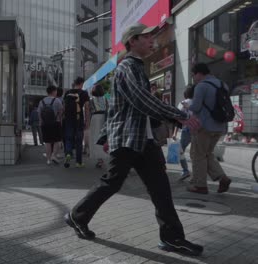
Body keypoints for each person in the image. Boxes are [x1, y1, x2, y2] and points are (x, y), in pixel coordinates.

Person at [64, 23, 204, 256]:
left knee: (160, 189)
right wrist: (180, 115)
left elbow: (139, 104)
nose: (152, 41)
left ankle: (172, 238)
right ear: (132, 41)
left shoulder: (137, 67)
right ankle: (76, 216)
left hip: (143, 139)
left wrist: (174, 118)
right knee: (112, 183)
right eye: (147, 37)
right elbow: (141, 100)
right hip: (129, 139)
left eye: (152, 37)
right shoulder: (127, 67)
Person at [187, 63, 232, 194]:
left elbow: (195, 107)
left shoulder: (201, 86)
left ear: (199, 73)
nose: (193, 78)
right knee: (208, 154)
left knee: (198, 155)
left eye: (193, 75)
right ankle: (223, 178)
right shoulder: (223, 84)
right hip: (220, 126)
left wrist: (187, 106)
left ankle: (200, 185)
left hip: (204, 126)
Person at [63, 77, 90, 168]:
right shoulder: (84, 93)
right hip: (79, 119)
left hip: (68, 119)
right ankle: (78, 162)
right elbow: (86, 108)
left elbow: (64, 107)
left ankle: (68, 153)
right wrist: (87, 120)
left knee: (69, 138)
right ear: (82, 83)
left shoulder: (67, 92)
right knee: (79, 140)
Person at [173, 85, 195, 181]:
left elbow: (178, 118)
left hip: (186, 130)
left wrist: (174, 132)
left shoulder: (182, 103)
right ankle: (197, 174)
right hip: (198, 130)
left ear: (185, 94)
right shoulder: (197, 103)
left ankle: (185, 170)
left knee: (179, 150)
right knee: (196, 153)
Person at [38, 85, 63, 165]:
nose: (56, 92)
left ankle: (48, 160)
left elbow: (39, 113)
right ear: (53, 91)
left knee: (47, 142)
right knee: (57, 140)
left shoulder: (42, 101)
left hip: (45, 124)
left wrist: (41, 122)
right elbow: (61, 112)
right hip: (56, 123)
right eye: (55, 91)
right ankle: (54, 155)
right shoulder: (57, 101)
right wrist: (60, 120)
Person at [89, 84, 108, 168]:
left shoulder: (91, 100)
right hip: (104, 118)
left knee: (95, 137)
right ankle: (104, 155)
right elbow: (108, 109)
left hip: (95, 118)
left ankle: (100, 159)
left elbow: (89, 110)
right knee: (103, 137)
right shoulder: (105, 99)